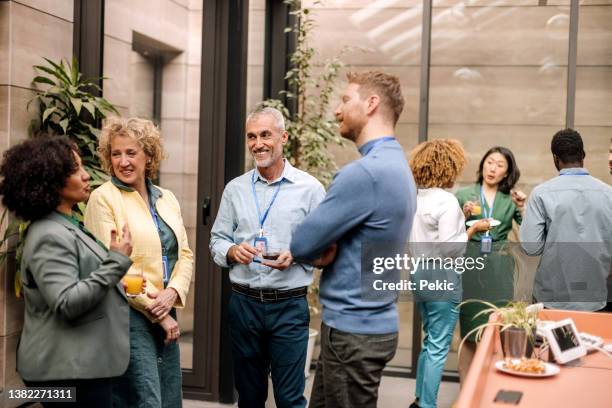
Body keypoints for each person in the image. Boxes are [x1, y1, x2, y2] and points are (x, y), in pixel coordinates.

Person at [290, 71, 416, 408]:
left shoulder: (364, 173)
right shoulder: (397, 165)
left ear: (371, 103)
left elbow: (301, 244)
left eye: (346, 100)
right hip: (364, 327)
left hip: (353, 332)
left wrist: (323, 246)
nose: (337, 110)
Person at [0, 135, 133, 407]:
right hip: (66, 373)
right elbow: (66, 302)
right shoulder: (49, 234)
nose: (86, 176)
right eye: (75, 169)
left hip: (80, 366)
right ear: (50, 180)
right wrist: (116, 261)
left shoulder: (65, 224)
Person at [209, 106, 325, 408]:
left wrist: (297, 255)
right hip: (244, 306)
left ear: (283, 137)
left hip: (288, 307)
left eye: (265, 135)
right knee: (249, 398)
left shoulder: (310, 189)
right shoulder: (235, 189)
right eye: (251, 136)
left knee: (289, 399)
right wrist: (233, 251)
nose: (257, 143)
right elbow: (217, 240)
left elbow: (327, 247)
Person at [84, 117, 193, 407]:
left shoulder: (166, 198)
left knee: (169, 398)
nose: (123, 161)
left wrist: (173, 293)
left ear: (149, 154)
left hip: (166, 308)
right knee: (145, 400)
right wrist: (158, 311)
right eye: (116, 154)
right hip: (129, 315)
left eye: (131, 152)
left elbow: (184, 254)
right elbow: (113, 265)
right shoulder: (102, 198)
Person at [408, 140, 490, 408]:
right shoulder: (447, 200)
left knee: (429, 340)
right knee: (439, 346)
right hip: (442, 275)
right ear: (449, 167)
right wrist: (472, 230)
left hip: (419, 273)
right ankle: (427, 405)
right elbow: (450, 248)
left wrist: (460, 218)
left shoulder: (417, 197)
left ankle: (419, 399)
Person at [520, 129, 612, 311]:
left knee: (550, 341)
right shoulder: (609, 194)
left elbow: (531, 247)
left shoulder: (541, 194)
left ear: (555, 158)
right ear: (583, 154)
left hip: (551, 298)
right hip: (596, 297)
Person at [454, 146, 525, 382]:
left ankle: (489, 391)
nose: (492, 168)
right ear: (482, 164)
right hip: (471, 268)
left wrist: (523, 207)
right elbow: (451, 234)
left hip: (500, 270)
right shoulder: (464, 195)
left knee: (497, 331)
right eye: (489, 162)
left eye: (499, 165)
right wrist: (464, 217)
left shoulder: (511, 200)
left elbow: (527, 235)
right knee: (469, 333)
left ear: (506, 173)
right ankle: (466, 395)